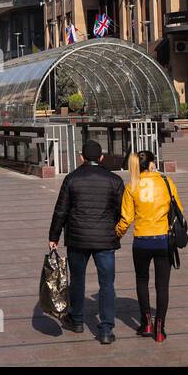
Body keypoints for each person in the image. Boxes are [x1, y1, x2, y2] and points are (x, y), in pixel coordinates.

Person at [47, 139, 124, 345]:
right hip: (105, 240)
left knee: (77, 279)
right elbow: (121, 212)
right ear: (101, 158)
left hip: (78, 239)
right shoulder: (115, 180)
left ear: (81, 157)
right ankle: (106, 329)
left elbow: (61, 210)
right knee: (107, 283)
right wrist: (114, 230)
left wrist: (53, 236)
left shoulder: (71, 179)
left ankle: (78, 319)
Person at [116, 150, 182, 343]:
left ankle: (146, 323)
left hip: (142, 241)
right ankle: (160, 329)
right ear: (152, 164)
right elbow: (178, 209)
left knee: (142, 280)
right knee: (162, 285)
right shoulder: (166, 182)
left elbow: (126, 219)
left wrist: (116, 235)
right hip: (163, 240)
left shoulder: (132, 186)